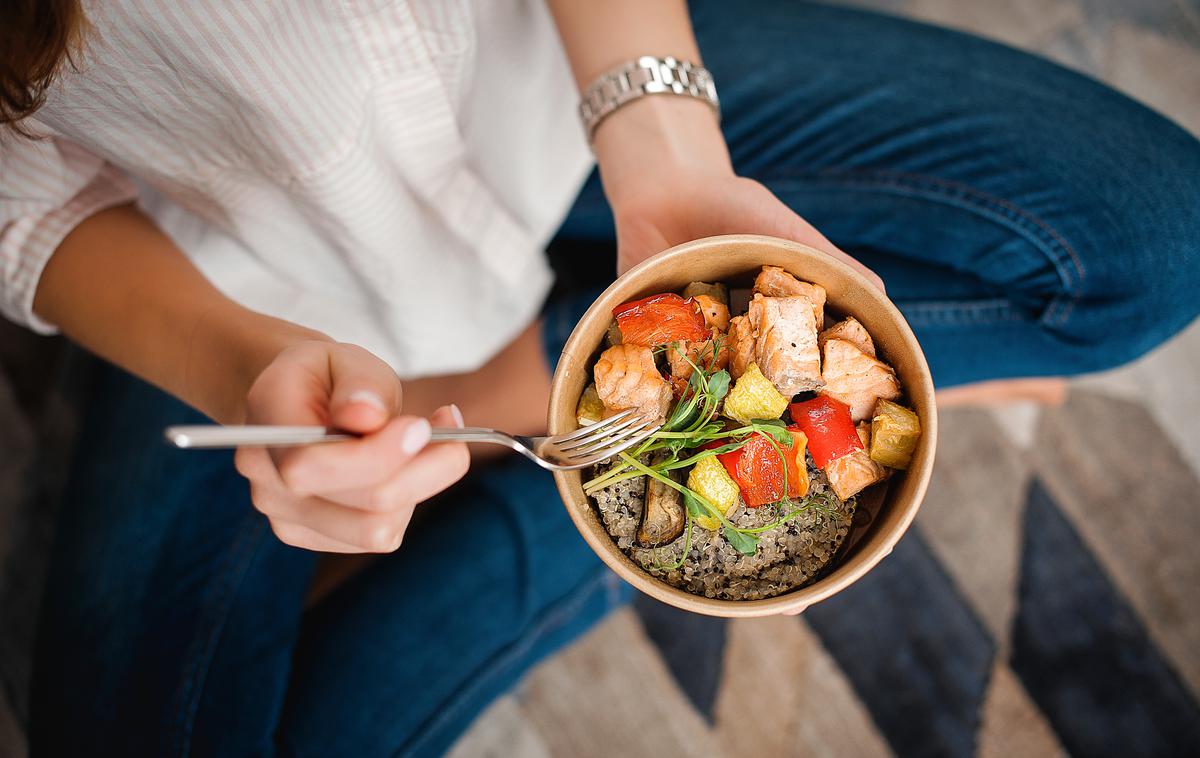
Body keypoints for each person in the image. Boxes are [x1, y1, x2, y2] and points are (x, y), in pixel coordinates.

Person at [1, 0, 1197, 754]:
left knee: (1158, 237)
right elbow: (23, 201)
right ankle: (592, 476)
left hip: (578, 93)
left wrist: (669, 157)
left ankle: (569, 439)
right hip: (246, 269)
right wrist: (241, 363)